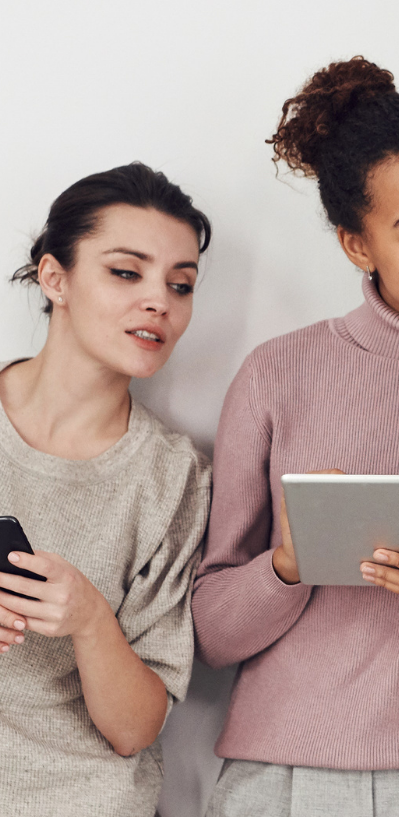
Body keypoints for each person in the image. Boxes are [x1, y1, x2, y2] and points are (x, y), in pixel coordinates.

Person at [192, 57, 399, 817]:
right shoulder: (279, 372)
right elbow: (212, 633)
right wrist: (287, 563)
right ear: (357, 245)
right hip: (279, 781)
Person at [0, 163, 213, 816]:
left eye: (180, 285)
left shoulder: (174, 476)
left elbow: (135, 730)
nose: (160, 302)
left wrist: (89, 618)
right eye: (127, 272)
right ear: (54, 278)